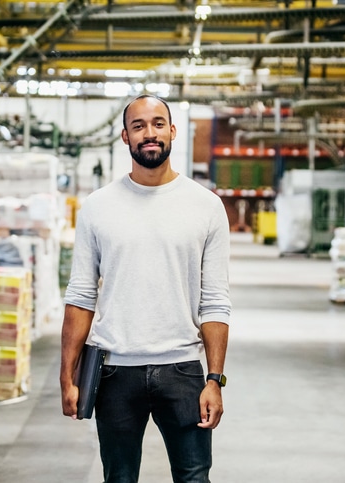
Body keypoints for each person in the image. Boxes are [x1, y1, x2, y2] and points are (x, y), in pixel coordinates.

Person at [60, 94, 231, 483]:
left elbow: (216, 302)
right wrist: (66, 378)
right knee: (118, 479)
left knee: (194, 478)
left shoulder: (206, 206)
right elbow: (81, 295)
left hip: (183, 371)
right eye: (138, 126)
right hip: (114, 372)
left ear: (172, 131)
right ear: (125, 136)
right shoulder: (97, 206)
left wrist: (214, 379)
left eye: (157, 123)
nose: (149, 133)